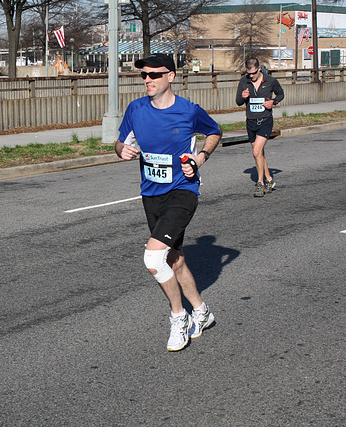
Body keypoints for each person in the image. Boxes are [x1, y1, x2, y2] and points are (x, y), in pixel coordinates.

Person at [115, 53, 223, 352]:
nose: (147, 80)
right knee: (174, 258)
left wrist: (199, 158)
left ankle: (180, 317)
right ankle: (202, 312)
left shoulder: (189, 111)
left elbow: (214, 132)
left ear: (171, 77)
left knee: (153, 259)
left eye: (154, 75)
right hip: (151, 194)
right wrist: (121, 149)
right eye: (143, 76)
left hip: (182, 191)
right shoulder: (135, 109)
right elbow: (120, 141)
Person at [235, 57, 284, 197]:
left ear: (259, 69)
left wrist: (273, 102)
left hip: (265, 121)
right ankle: (269, 179)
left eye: (253, 73)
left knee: (256, 152)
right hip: (250, 122)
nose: (251, 76)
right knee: (260, 153)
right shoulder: (244, 82)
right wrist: (243, 97)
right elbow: (238, 101)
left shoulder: (270, 81)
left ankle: (260, 183)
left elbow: (281, 94)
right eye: (248, 73)